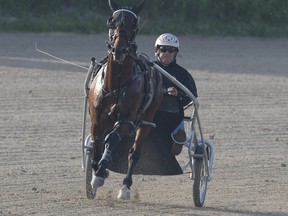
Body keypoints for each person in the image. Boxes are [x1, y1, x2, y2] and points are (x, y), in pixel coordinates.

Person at [154, 33, 198, 155]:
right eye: (163, 49)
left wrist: (177, 93)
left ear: (175, 52)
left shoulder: (182, 74)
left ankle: (177, 137)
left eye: (171, 50)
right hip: (148, 111)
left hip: (172, 113)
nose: (167, 53)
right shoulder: (148, 69)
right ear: (157, 51)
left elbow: (192, 96)